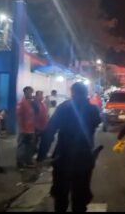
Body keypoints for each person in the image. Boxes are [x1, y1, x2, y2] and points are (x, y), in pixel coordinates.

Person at [37, 82, 101, 212]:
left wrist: (41, 156)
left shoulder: (63, 108)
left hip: (63, 157)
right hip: (84, 158)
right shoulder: (93, 109)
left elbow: (50, 131)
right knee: (80, 197)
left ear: (73, 93)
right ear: (85, 93)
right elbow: (96, 123)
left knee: (61, 196)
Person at [16, 86, 37, 169]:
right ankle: (20, 163)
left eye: (31, 92)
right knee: (22, 147)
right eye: (28, 92)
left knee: (29, 146)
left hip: (31, 129)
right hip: (24, 130)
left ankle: (28, 161)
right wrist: (21, 128)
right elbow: (18, 116)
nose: (30, 94)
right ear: (25, 93)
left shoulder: (31, 103)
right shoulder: (21, 103)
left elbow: (35, 114)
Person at [33, 91, 49, 157]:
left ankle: (36, 152)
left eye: (42, 95)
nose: (42, 97)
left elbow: (44, 114)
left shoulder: (41, 104)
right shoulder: (34, 104)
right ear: (36, 96)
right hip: (36, 126)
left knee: (39, 140)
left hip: (42, 126)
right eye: (40, 95)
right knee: (34, 141)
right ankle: (31, 155)